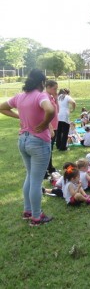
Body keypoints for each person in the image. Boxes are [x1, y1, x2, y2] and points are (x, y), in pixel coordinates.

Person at [0, 69, 55, 226]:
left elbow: (1, 107)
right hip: (38, 142)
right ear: (42, 82)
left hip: (23, 140)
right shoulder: (41, 95)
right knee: (36, 181)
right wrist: (44, 124)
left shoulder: (20, 96)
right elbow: (50, 110)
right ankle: (36, 217)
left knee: (30, 176)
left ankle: (28, 211)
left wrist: (20, 116)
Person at [45, 80, 58, 176]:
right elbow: (45, 113)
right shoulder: (45, 97)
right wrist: (50, 127)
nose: (56, 90)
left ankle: (50, 167)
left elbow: (57, 110)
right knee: (47, 149)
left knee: (50, 148)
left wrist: (56, 99)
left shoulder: (52, 98)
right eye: (54, 88)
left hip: (55, 126)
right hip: (50, 127)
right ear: (48, 87)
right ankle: (45, 170)